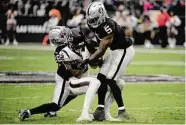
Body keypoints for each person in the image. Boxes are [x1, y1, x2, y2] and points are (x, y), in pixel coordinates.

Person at [18, 26, 125, 122]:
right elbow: (75, 73)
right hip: (67, 80)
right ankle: (28, 112)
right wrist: (85, 62)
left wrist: (95, 59)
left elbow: (96, 63)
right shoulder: (62, 53)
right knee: (56, 105)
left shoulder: (85, 43)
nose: (80, 46)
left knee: (115, 83)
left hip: (80, 78)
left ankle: (103, 111)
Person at [81, 2, 135, 121]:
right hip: (115, 50)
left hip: (124, 50)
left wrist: (87, 60)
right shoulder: (92, 24)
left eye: (95, 18)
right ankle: (100, 110)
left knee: (110, 79)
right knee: (101, 77)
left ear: (101, 14)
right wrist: (94, 56)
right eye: (91, 19)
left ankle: (122, 111)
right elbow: (99, 43)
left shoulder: (108, 26)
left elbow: (101, 49)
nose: (93, 21)